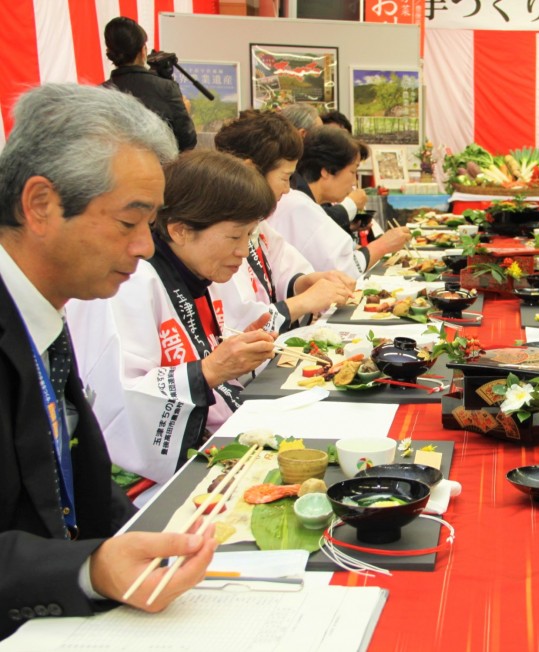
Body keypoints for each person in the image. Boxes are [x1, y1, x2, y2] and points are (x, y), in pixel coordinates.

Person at [0, 84, 216, 640]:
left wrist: (141, 540)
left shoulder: (46, 312)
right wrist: (86, 569)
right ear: (41, 204)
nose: (146, 247)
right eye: (129, 222)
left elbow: (71, 485)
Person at [67, 151, 277, 483]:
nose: (243, 251)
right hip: (141, 485)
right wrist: (210, 369)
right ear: (179, 230)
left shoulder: (192, 272)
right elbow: (118, 404)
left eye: (250, 236)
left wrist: (233, 351)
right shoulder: (132, 281)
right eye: (236, 236)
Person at [212, 110, 353, 326]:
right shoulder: (214, 230)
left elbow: (283, 271)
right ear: (251, 170)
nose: (288, 190)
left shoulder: (260, 225)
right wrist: (304, 302)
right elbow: (236, 323)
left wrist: (306, 283)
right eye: (285, 178)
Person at [268, 125, 410, 278]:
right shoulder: (298, 203)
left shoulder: (303, 201)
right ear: (327, 171)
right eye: (353, 171)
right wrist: (384, 244)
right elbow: (344, 270)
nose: (354, 181)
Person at [102, 17, 196, 152]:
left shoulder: (101, 92)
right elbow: (187, 142)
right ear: (143, 50)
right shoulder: (166, 89)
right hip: (159, 169)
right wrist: (185, 112)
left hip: (112, 170)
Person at [280, 104, 369, 236]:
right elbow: (311, 222)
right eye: (352, 171)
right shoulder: (293, 186)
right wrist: (351, 204)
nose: (354, 181)